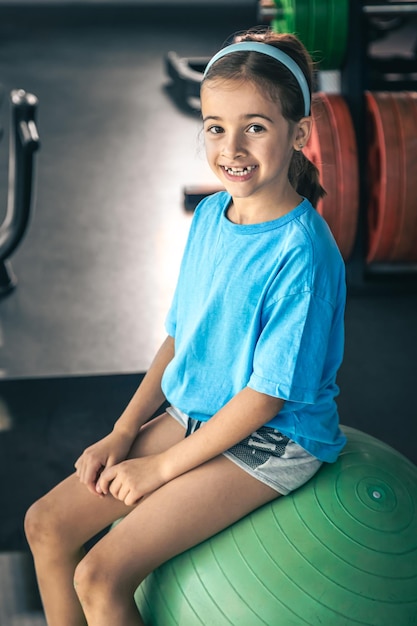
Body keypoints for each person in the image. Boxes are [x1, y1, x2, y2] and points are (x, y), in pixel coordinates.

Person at [25, 27, 347, 626]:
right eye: (217, 127)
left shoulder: (303, 254)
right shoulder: (208, 215)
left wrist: (159, 469)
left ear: (299, 135)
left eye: (257, 126)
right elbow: (179, 336)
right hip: (193, 412)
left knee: (101, 574)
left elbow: (266, 397)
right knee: (45, 525)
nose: (233, 146)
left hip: (273, 439)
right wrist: (123, 433)